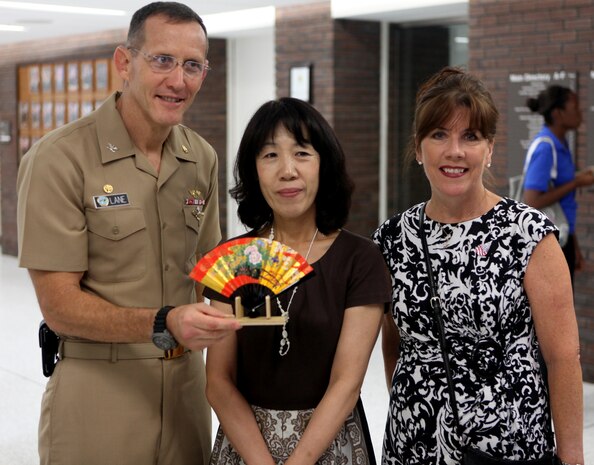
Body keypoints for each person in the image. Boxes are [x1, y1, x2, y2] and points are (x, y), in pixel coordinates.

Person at [16, 3, 241, 465]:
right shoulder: (61, 159)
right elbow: (59, 305)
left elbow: (212, 273)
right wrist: (163, 322)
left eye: (193, 65)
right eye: (162, 60)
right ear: (124, 63)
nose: (178, 81)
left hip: (186, 392)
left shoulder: (201, 158)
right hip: (98, 391)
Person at [373, 67, 583, 465]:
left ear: (489, 150)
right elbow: (394, 346)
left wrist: (572, 459)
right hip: (414, 447)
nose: (455, 151)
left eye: (470, 136)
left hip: (509, 448)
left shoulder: (529, 234)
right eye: (439, 135)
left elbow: (563, 358)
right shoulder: (392, 238)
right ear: (418, 149)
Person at [204, 97, 392, 465]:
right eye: (270, 155)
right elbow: (219, 383)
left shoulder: (360, 259)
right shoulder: (237, 257)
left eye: (302, 153)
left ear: (325, 165)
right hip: (246, 447)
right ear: (253, 170)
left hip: (332, 447)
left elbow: (347, 383)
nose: (287, 171)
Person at [523, 85, 594, 282]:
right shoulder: (546, 147)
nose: (580, 112)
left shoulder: (561, 144)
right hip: (548, 242)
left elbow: (561, 207)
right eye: (575, 107)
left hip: (562, 237)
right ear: (558, 113)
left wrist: (574, 245)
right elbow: (532, 201)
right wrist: (576, 182)